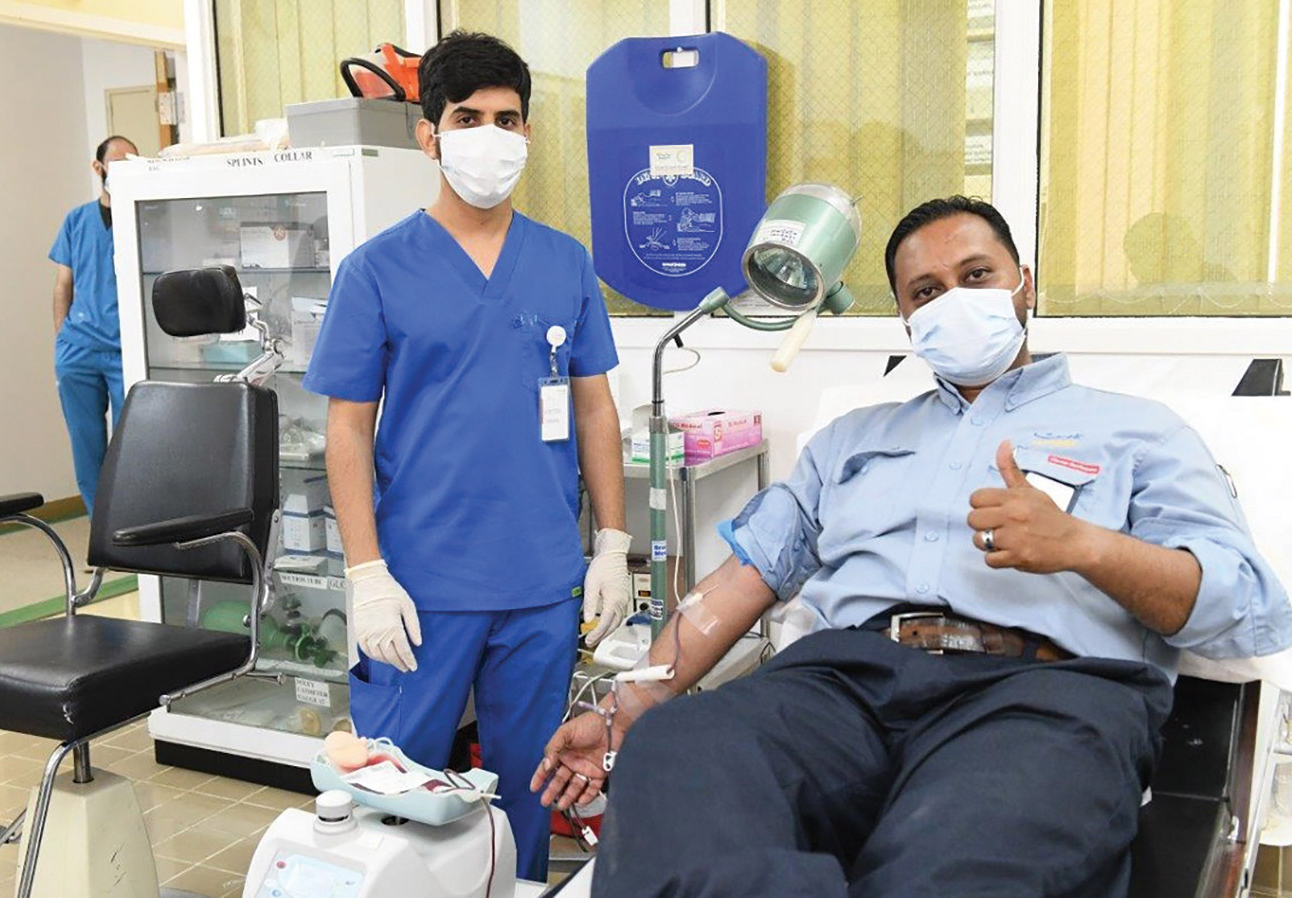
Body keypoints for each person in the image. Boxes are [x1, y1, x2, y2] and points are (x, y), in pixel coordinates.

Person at [533, 196, 1292, 897]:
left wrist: (1085, 546)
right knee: (679, 749)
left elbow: (1246, 612)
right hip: (842, 684)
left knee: (957, 867)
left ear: (1024, 284)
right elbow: (743, 578)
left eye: (976, 275)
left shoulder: (1138, 431)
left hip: (1041, 697)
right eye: (926, 291)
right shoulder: (853, 440)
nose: (953, 299)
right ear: (906, 321)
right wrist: (628, 705)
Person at [301, 31, 631, 882]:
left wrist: (613, 545)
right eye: (468, 118)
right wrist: (366, 574)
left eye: (508, 119)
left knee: (529, 786)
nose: (491, 136)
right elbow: (347, 431)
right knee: (393, 789)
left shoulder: (564, 263)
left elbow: (595, 407)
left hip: (539, 581)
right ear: (429, 135)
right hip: (421, 584)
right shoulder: (376, 270)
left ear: (528, 132)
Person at [49, 134, 136, 516]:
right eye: (116, 164)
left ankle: (127, 525)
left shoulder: (140, 217)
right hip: (78, 350)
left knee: (131, 445)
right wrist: (61, 341)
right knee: (86, 446)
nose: (122, 171)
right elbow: (62, 286)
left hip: (125, 350)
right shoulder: (77, 220)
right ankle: (100, 527)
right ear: (97, 167)